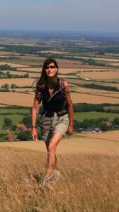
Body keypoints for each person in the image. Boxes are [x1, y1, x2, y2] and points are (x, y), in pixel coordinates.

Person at [31, 57, 74, 187]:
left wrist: (71, 124)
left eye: (52, 67)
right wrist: (33, 127)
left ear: (56, 69)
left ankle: (47, 177)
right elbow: (34, 108)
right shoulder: (40, 86)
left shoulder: (63, 85)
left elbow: (70, 105)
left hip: (62, 118)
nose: (49, 69)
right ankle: (56, 175)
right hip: (46, 120)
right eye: (47, 67)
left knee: (51, 147)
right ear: (44, 70)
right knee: (51, 150)